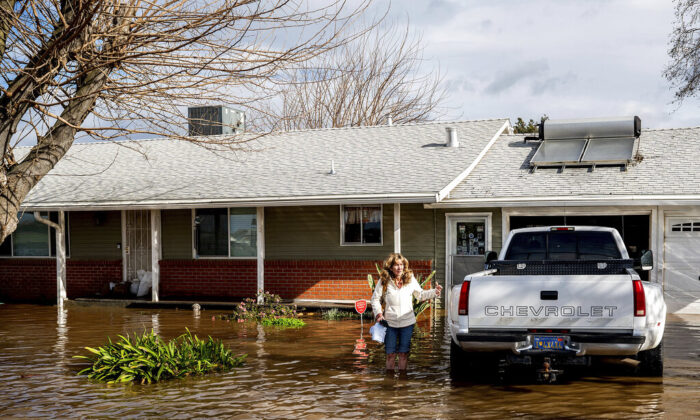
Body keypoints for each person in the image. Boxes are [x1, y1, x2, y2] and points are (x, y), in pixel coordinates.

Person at [370, 252, 442, 372]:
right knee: (390, 354)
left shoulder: (410, 279)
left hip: (407, 323)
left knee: (403, 354)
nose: (400, 268)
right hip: (390, 323)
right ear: (391, 267)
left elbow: (420, 295)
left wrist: (435, 292)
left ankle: (403, 383)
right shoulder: (384, 280)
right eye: (396, 265)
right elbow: (375, 299)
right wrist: (378, 314)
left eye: (402, 265)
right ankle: (390, 383)